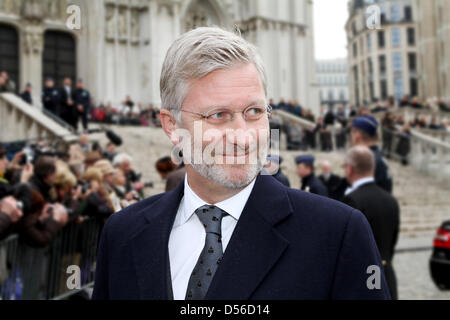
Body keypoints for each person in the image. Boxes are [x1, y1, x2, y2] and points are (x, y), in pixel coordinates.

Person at [93, 27, 389, 300]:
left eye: (254, 111)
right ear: (172, 125)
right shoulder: (122, 234)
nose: (243, 138)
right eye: (218, 115)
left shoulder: (337, 234)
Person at [342, 146, 400, 300]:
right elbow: (392, 241)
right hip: (386, 272)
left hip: (363, 276)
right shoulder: (391, 200)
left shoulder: (352, 199)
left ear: (349, 169)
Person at [350, 115, 393, 194]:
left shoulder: (365, 160)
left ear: (357, 136)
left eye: (352, 132)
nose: (350, 136)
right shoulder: (377, 155)